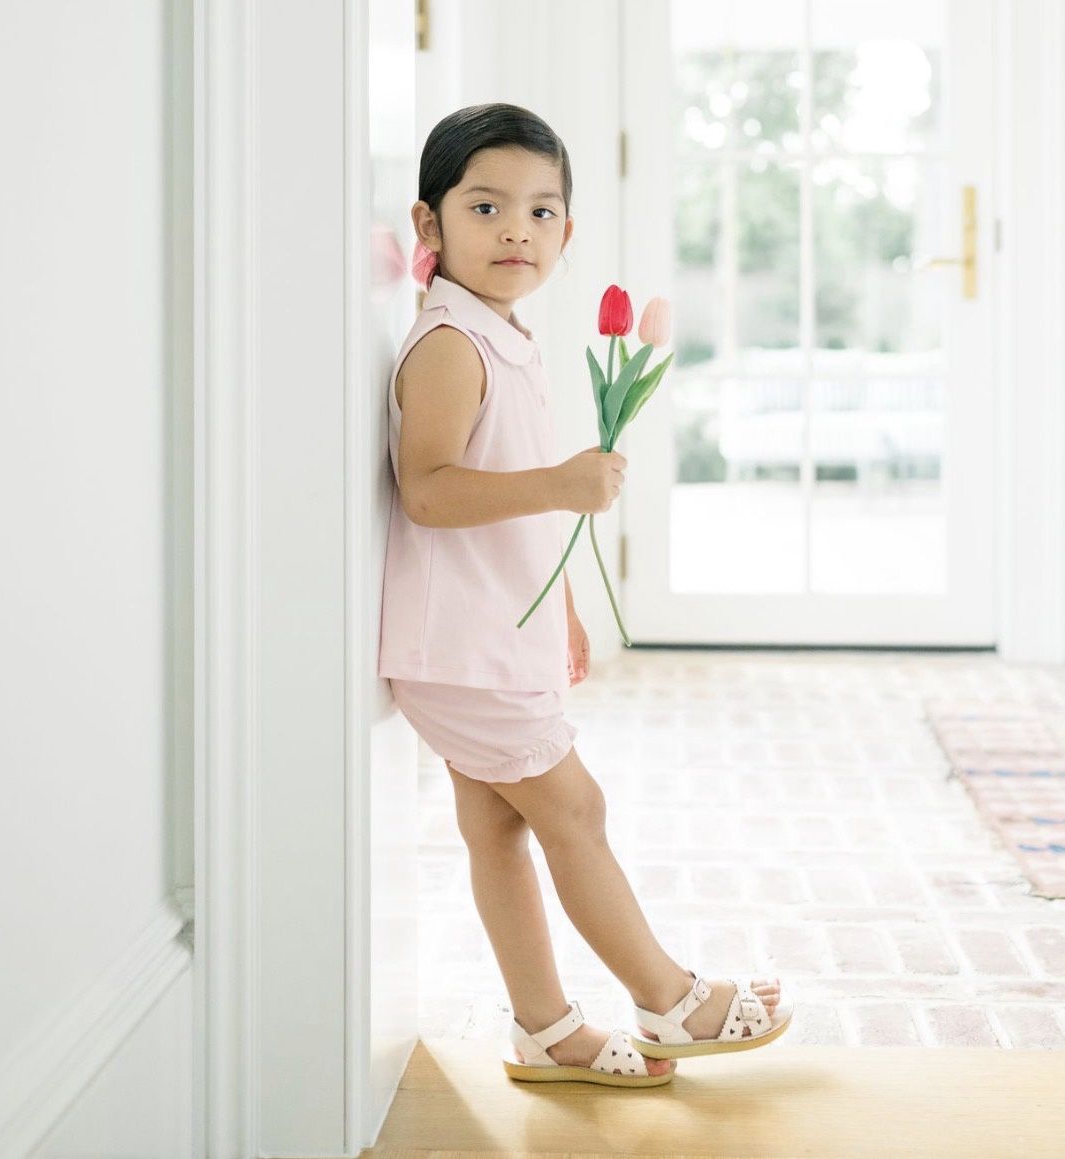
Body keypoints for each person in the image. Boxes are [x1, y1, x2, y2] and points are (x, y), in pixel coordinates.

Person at [378, 102, 794, 1087]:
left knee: (499, 827)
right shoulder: (449, 344)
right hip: (463, 648)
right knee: (575, 808)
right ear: (430, 224)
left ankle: (546, 1028)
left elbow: (505, 504)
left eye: (541, 211)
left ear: (567, 231)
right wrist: (564, 484)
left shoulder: (501, 334)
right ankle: (670, 997)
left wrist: (559, 601)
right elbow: (427, 490)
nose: (516, 231)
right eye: (485, 207)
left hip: (482, 635)